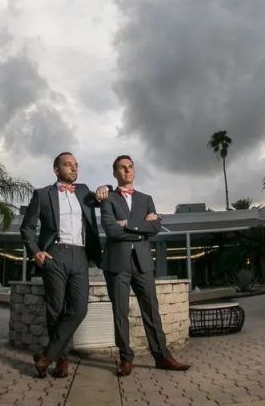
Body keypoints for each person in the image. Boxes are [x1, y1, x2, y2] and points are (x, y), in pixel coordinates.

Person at [19, 151, 109, 378]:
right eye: (68, 165)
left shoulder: (84, 191)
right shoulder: (42, 194)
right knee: (56, 311)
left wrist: (105, 187)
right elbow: (27, 228)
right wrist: (36, 252)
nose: (74, 168)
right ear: (57, 170)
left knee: (79, 309)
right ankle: (61, 362)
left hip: (80, 255)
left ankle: (46, 356)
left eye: (76, 165)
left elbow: (104, 194)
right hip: (55, 254)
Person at [100, 155, 190, 376]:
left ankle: (162, 356)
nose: (127, 171)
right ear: (115, 173)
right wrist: (141, 227)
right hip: (116, 263)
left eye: (130, 167)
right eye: (122, 168)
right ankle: (125, 359)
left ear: (134, 171)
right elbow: (110, 230)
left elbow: (156, 227)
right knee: (120, 313)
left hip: (143, 263)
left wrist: (128, 224)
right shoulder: (108, 199)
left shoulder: (146, 198)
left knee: (151, 310)